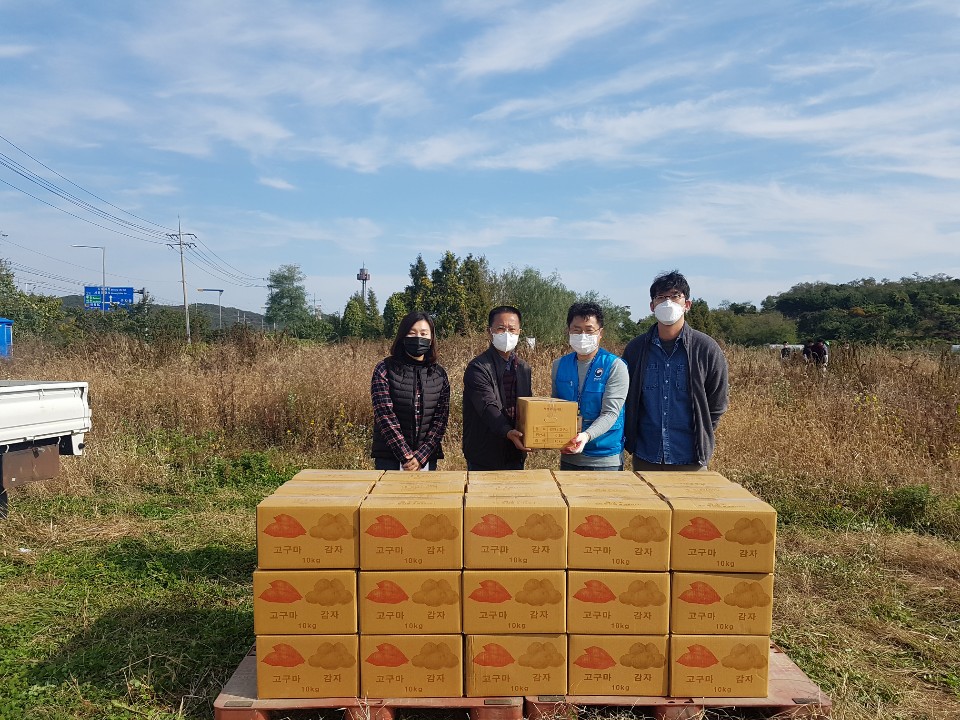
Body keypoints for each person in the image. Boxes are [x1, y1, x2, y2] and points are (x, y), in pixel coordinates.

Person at [622, 271, 729, 472]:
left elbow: (717, 403)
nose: (667, 303)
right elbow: (626, 399)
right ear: (652, 306)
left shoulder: (705, 348)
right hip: (646, 456)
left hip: (690, 458)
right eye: (661, 297)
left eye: (675, 296)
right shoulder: (636, 349)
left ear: (687, 304)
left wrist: (702, 433)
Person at [551, 302, 628, 471]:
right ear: (568, 331)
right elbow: (555, 407)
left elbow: (610, 413)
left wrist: (586, 436)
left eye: (589, 330)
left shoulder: (615, 366)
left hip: (604, 459)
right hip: (570, 456)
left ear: (600, 333)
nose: (582, 335)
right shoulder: (559, 365)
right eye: (577, 330)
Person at [370, 311, 450, 471]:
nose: (418, 338)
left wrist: (421, 456)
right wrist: (406, 455)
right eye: (412, 333)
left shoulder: (439, 374)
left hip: (426, 459)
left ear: (431, 339)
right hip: (389, 458)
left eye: (424, 334)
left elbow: (440, 420)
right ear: (402, 336)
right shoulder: (384, 368)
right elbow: (384, 415)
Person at [462, 305, 532, 471]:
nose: (507, 334)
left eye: (512, 329)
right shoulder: (478, 368)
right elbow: (487, 406)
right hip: (484, 454)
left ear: (519, 332)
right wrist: (507, 431)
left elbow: (527, 405)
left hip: (515, 452)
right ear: (490, 331)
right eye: (501, 328)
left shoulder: (524, 368)